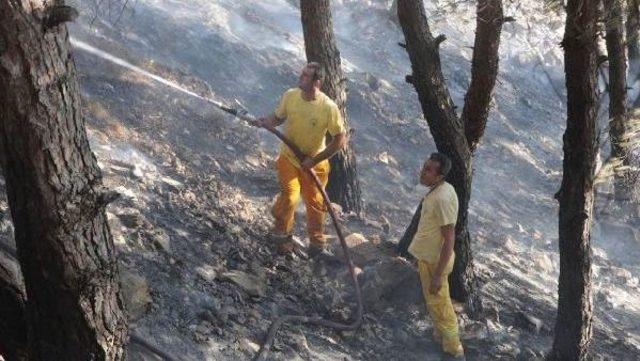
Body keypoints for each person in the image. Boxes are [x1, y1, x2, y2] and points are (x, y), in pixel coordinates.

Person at [252, 62, 346, 257]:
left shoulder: (328, 107)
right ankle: (282, 236)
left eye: (306, 76)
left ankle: (317, 245)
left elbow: (339, 141)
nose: (301, 78)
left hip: (315, 164)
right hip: (289, 158)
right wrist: (264, 122)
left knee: (315, 204)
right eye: (302, 74)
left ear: (317, 82)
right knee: (290, 195)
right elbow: (278, 118)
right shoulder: (291, 96)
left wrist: (314, 160)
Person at [408, 153, 465, 359]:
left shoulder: (441, 198)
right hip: (429, 259)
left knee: (441, 306)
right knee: (435, 302)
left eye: (429, 170)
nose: (423, 171)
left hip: (436, 263)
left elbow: (449, 239)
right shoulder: (441, 190)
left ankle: (453, 348)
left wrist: (438, 275)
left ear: (439, 176)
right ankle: (440, 336)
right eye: (425, 166)